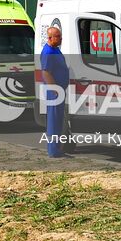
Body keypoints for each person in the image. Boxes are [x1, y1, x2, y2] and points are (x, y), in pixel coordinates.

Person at [39, 25, 70, 158]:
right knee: (53, 120)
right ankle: (53, 150)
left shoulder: (55, 49)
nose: (60, 38)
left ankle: (57, 148)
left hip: (59, 89)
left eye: (60, 36)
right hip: (54, 91)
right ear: (50, 37)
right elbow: (46, 72)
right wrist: (54, 89)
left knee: (58, 120)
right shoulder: (48, 52)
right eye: (57, 36)